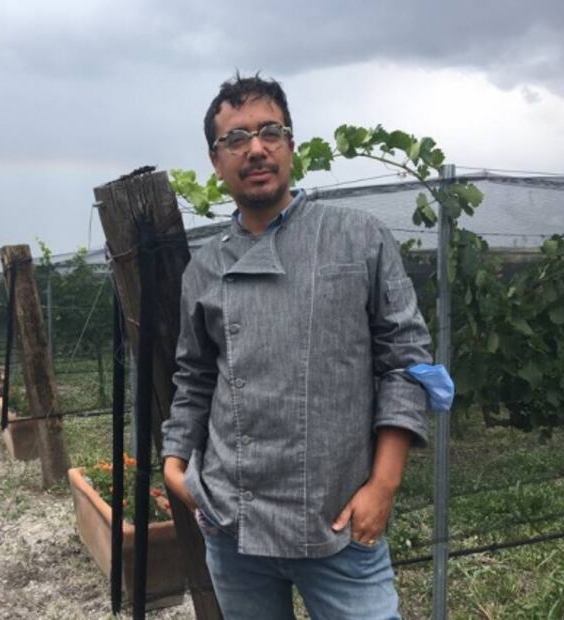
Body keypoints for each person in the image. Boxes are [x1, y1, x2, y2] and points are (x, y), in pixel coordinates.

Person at [161, 74, 432, 619]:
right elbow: (193, 378)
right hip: (233, 530)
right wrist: (175, 467)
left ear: (290, 144)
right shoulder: (205, 266)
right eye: (235, 139)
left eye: (269, 132)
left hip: (338, 526)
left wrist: (383, 484)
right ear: (217, 162)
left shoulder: (358, 237)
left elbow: (407, 363)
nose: (255, 148)